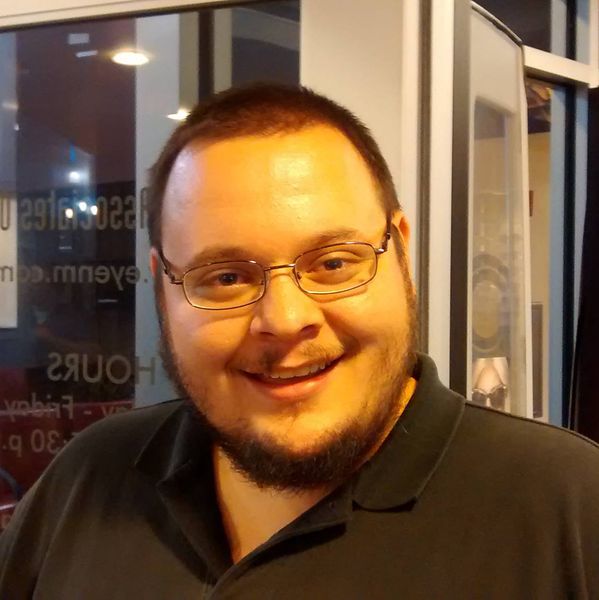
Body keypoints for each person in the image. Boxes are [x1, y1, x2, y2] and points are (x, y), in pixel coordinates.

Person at [1, 83, 598, 599]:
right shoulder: (90, 478)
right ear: (163, 286)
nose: (286, 320)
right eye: (226, 278)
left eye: (333, 263)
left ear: (400, 251)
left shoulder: (568, 509)